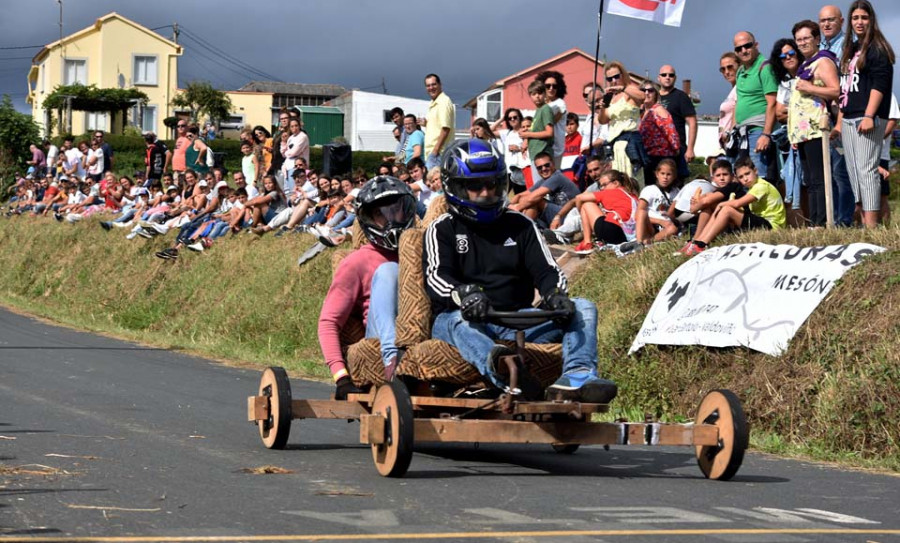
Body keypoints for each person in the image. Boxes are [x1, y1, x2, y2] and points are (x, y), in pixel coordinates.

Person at [424, 138, 617, 403]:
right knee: (457, 322)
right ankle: (506, 373)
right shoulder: (442, 228)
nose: (485, 193)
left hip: (515, 318)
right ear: (455, 188)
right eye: (475, 187)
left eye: (492, 185)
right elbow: (436, 277)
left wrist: (554, 294)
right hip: (463, 316)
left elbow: (547, 271)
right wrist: (465, 294)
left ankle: (577, 377)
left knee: (583, 307)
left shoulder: (521, 225)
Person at [318, 176, 417, 398]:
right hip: (379, 337)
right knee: (389, 270)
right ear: (370, 219)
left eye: (395, 211)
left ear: (406, 210)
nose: (391, 220)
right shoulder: (356, 262)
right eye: (381, 214)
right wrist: (341, 376)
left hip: (418, 329)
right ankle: (393, 359)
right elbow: (328, 322)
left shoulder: (420, 249)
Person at [835, 0, 895, 229]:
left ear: (871, 20)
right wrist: (841, 120)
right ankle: (862, 223)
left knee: (867, 170)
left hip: (867, 117)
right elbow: (845, 87)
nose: (859, 22)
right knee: (854, 172)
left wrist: (870, 115)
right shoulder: (851, 48)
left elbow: (880, 84)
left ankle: (871, 227)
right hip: (850, 117)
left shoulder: (877, 48)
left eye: (864, 18)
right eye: (855, 18)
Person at [789, 20, 841, 228]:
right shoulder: (805, 64)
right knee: (810, 179)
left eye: (806, 38)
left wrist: (810, 88)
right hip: (802, 132)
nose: (802, 43)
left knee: (819, 177)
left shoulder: (824, 62)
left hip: (817, 128)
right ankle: (815, 221)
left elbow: (836, 90)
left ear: (817, 39)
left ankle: (822, 221)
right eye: (798, 39)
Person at [682, 157, 786, 256]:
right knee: (721, 208)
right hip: (760, 221)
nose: (745, 179)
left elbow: (737, 203)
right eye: (741, 177)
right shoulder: (753, 187)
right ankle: (698, 242)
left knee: (726, 210)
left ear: (755, 171)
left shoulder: (761, 186)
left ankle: (701, 244)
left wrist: (719, 205)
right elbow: (707, 198)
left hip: (772, 226)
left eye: (747, 174)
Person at [819, 4, 855, 227]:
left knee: (842, 172)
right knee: (829, 171)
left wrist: (840, 121)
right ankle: (832, 220)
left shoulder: (849, 46)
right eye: (823, 21)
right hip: (825, 114)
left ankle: (845, 221)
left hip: (843, 113)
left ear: (842, 21)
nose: (827, 24)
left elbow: (846, 86)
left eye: (831, 20)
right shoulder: (820, 45)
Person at [733, 31, 779, 179]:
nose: (743, 50)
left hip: (758, 131)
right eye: (739, 48)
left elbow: (772, 102)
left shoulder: (764, 67)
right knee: (744, 177)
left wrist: (766, 134)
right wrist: (732, 130)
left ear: (756, 45)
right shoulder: (740, 71)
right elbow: (739, 101)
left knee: (759, 177)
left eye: (747, 46)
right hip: (743, 133)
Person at [596, 61, 646, 186]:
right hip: (615, 145)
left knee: (631, 180)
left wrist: (623, 88)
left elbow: (642, 97)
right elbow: (603, 120)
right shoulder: (612, 98)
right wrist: (602, 107)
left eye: (616, 76)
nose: (613, 80)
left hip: (629, 142)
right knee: (617, 182)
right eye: (609, 78)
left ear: (623, 75)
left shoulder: (629, 90)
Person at [571, 169, 639, 253]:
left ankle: (587, 241)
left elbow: (578, 198)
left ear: (616, 183)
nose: (602, 189)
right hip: (626, 235)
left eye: (604, 185)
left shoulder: (610, 192)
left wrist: (582, 213)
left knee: (586, 204)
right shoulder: (633, 196)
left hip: (610, 230)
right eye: (601, 186)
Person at [508, 151, 578, 228]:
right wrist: (508, 207)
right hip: (556, 215)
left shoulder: (557, 177)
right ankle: (528, 231)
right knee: (525, 200)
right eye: (539, 167)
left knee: (534, 201)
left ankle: (524, 232)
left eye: (547, 165)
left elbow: (532, 198)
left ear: (553, 164)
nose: (544, 169)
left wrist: (516, 208)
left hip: (569, 215)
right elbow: (520, 195)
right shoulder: (543, 181)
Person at [657, 65, 697, 180]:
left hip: (676, 151)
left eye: (671, 75)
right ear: (659, 78)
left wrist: (690, 149)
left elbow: (692, 122)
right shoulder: (653, 96)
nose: (667, 77)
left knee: (675, 185)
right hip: (655, 150)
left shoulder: (681, 97)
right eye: (664, 75)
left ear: (675, 78)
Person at [638, 83, 681, 181]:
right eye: (643, 90)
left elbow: (670, 131)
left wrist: (676, 151)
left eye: (650, 90)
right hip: (649, 157)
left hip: (661, 157)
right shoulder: (643, 113)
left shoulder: (658, 109)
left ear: (656, 94)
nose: (646, 93)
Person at [635, 158, 679, 244]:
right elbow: (637, 215)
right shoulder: (649, 190)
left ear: (674, 176)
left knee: (673, 228)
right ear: (657, 174)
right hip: (650, 224)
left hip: (667, 226)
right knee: (641, 212)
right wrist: (660, 221)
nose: (665, 177)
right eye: (662, 173)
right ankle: (639, 242)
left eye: (669, 174)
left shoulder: (676, 192)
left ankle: (649, 242)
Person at [518, 80, 555, 181]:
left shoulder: (545, 109)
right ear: (530, 96)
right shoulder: (538, 110)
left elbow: (549, 132)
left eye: (540, 93)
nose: (537, 96)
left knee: (543, 189)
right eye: (534, 94)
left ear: (544, 94)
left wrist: (528, 134)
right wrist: (526, 139)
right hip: (536, 156)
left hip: (543, 155)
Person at [536, 70, 568, 168]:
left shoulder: (560, 103)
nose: (551, 88)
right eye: (548, 86)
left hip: (555, 149)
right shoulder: (542, 106)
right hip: (543, 147)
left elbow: (549, 122)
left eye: (554, 86)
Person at [423, 74, 455, 169]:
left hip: (438, 154)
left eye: (434, 84)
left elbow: (446, 128)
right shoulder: (433, 103)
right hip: (432, 153)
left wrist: (435, 151)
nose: (431, 88)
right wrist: (426, 123)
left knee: (435, 183)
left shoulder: (443, 102)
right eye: (428, 85)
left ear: (440, 85)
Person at [718, 53, 740, 154]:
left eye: (730, 67)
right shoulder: (733, 90)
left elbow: (738, 110)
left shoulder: (741, 88)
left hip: (735, 142)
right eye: (723, 69)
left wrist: (730, 134)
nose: (726, 72)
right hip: (728, 144)